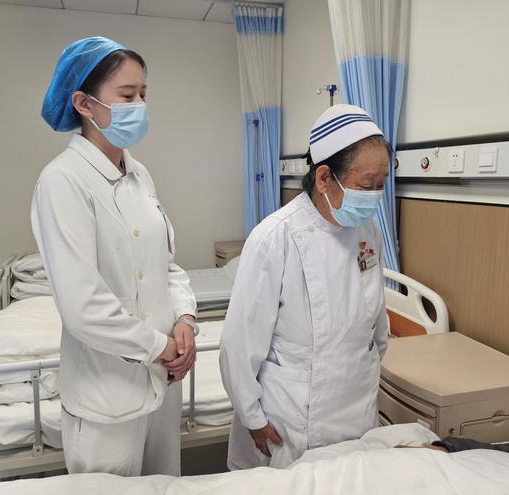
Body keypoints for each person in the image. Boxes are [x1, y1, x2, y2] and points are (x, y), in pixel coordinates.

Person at [32, 36, 197, 477]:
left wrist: (185, 320)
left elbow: (167, 265)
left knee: (164, 487)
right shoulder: (63, 181)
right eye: (127, 96)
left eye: (143, 93)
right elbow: (83, 305)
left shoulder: (139, 174)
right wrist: (161, 346)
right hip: (107, 398)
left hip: (162, 382)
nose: (139, 105)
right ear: (84, 104)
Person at [220, 104, 391, 470]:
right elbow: (240, 343)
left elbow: (377, 326)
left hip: (357, 407)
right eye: (366, 185)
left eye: (381, 184)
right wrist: (252, 416)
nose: (375, 195)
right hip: (290, 417)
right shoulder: (276, 237)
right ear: (324, 177)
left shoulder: (369, 232)